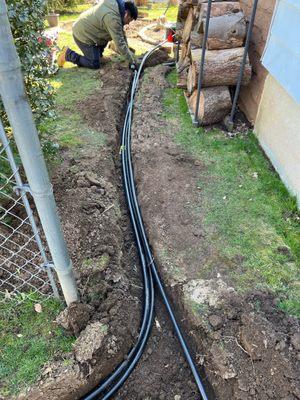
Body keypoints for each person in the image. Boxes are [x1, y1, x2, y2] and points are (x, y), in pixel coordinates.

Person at [57, 0, 138, 70]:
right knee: (94, 64)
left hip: (92, 30)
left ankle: (99, 55)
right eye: (129, 20)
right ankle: (67, 54)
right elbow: (119, 42)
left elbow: (121, 34)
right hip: (83, 34)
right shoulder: (112, 18)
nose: (128, 23)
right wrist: (132, 61)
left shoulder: (117, 6)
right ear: (127, 13)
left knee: (107, 35)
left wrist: (128, 53)